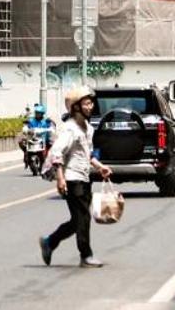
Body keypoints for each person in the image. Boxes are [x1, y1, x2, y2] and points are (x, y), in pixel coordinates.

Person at [40, 87, 112, 269]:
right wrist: (60, 178)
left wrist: (100, 167)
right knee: (83, 217)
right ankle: (86, 255)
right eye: (86, 103)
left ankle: (50, 242)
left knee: (77, 220)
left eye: (91, 103)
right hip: (72, 178)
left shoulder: (88, 128)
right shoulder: (69, 129)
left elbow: (87, 154)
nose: (90, 106)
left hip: (84, 176)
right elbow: (57, 152)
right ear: (76, 107)